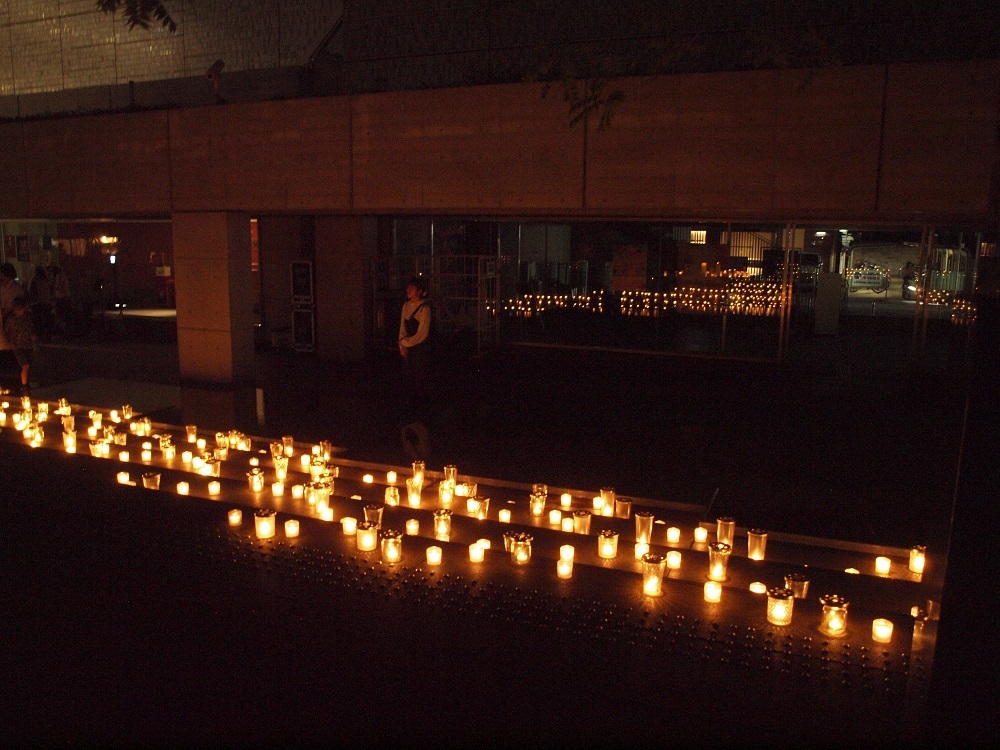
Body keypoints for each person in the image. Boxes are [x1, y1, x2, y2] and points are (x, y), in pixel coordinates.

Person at [398, 276, 433, 447]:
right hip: (407, 349)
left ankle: (422, 415)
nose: (408, 291)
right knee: (408, 379)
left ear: (419, 291)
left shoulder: (424, 309)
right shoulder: (406, 306)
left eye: (411, 288)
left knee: (420, 379)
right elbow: (402, 328)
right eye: (407, 288)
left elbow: (422, 334)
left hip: (420, 350)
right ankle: (409, 412)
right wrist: (401, 344)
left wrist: (406, 343)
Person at [3, 296, 36, 395]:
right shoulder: (11, 320)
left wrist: (32, 336)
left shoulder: (27, 317)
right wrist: (9, 341)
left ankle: (25, 383)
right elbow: (7, 332)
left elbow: (31, 328)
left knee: (27, 365)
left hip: (27, 344)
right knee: (25, 365)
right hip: (17, 345)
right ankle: (24, 386)